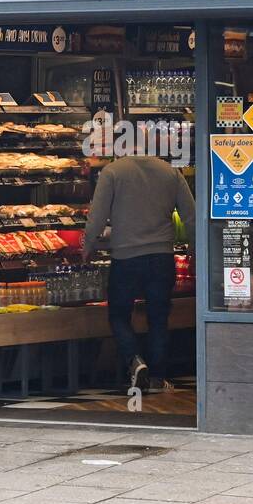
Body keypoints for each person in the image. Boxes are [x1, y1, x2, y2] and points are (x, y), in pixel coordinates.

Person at [82, 150, 195, 394]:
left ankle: (134, 360)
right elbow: (190, 215)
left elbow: (98, 216)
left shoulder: (113, 172)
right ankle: (157, 377)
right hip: (161, 257)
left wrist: (88, 245)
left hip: (126, 258)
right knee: (158, 318)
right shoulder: (170, 172)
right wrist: (195, 248)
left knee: (119, 314)